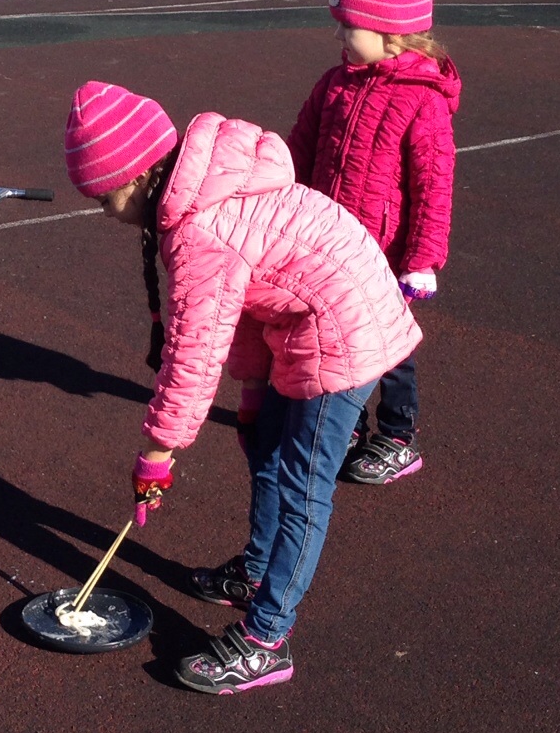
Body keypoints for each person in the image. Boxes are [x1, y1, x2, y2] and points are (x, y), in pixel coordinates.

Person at [64, 80, 419, 694]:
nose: (102, 212)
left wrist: (157, 455)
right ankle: (256, 573)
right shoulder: (204, 190)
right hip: (311, 314)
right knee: (264, 447)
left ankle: (267, 640)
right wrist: (254, 392)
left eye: (102, 197)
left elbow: (193, 355)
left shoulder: (199, 229)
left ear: (137, 177)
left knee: (304, 486)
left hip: (344, 330)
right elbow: (249, 302)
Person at [288, 0, 459, 486]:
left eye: (349, 26)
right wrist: (280, 193)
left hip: (384, 253)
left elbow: (434, 185)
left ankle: (399, 434)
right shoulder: (335, 85)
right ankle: (349, 426)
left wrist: (422, 261)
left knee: (387, 347)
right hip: (329, 243)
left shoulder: (422, 100)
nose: (339, 35)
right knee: (334, 336)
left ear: (390, 34)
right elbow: (299, 148)